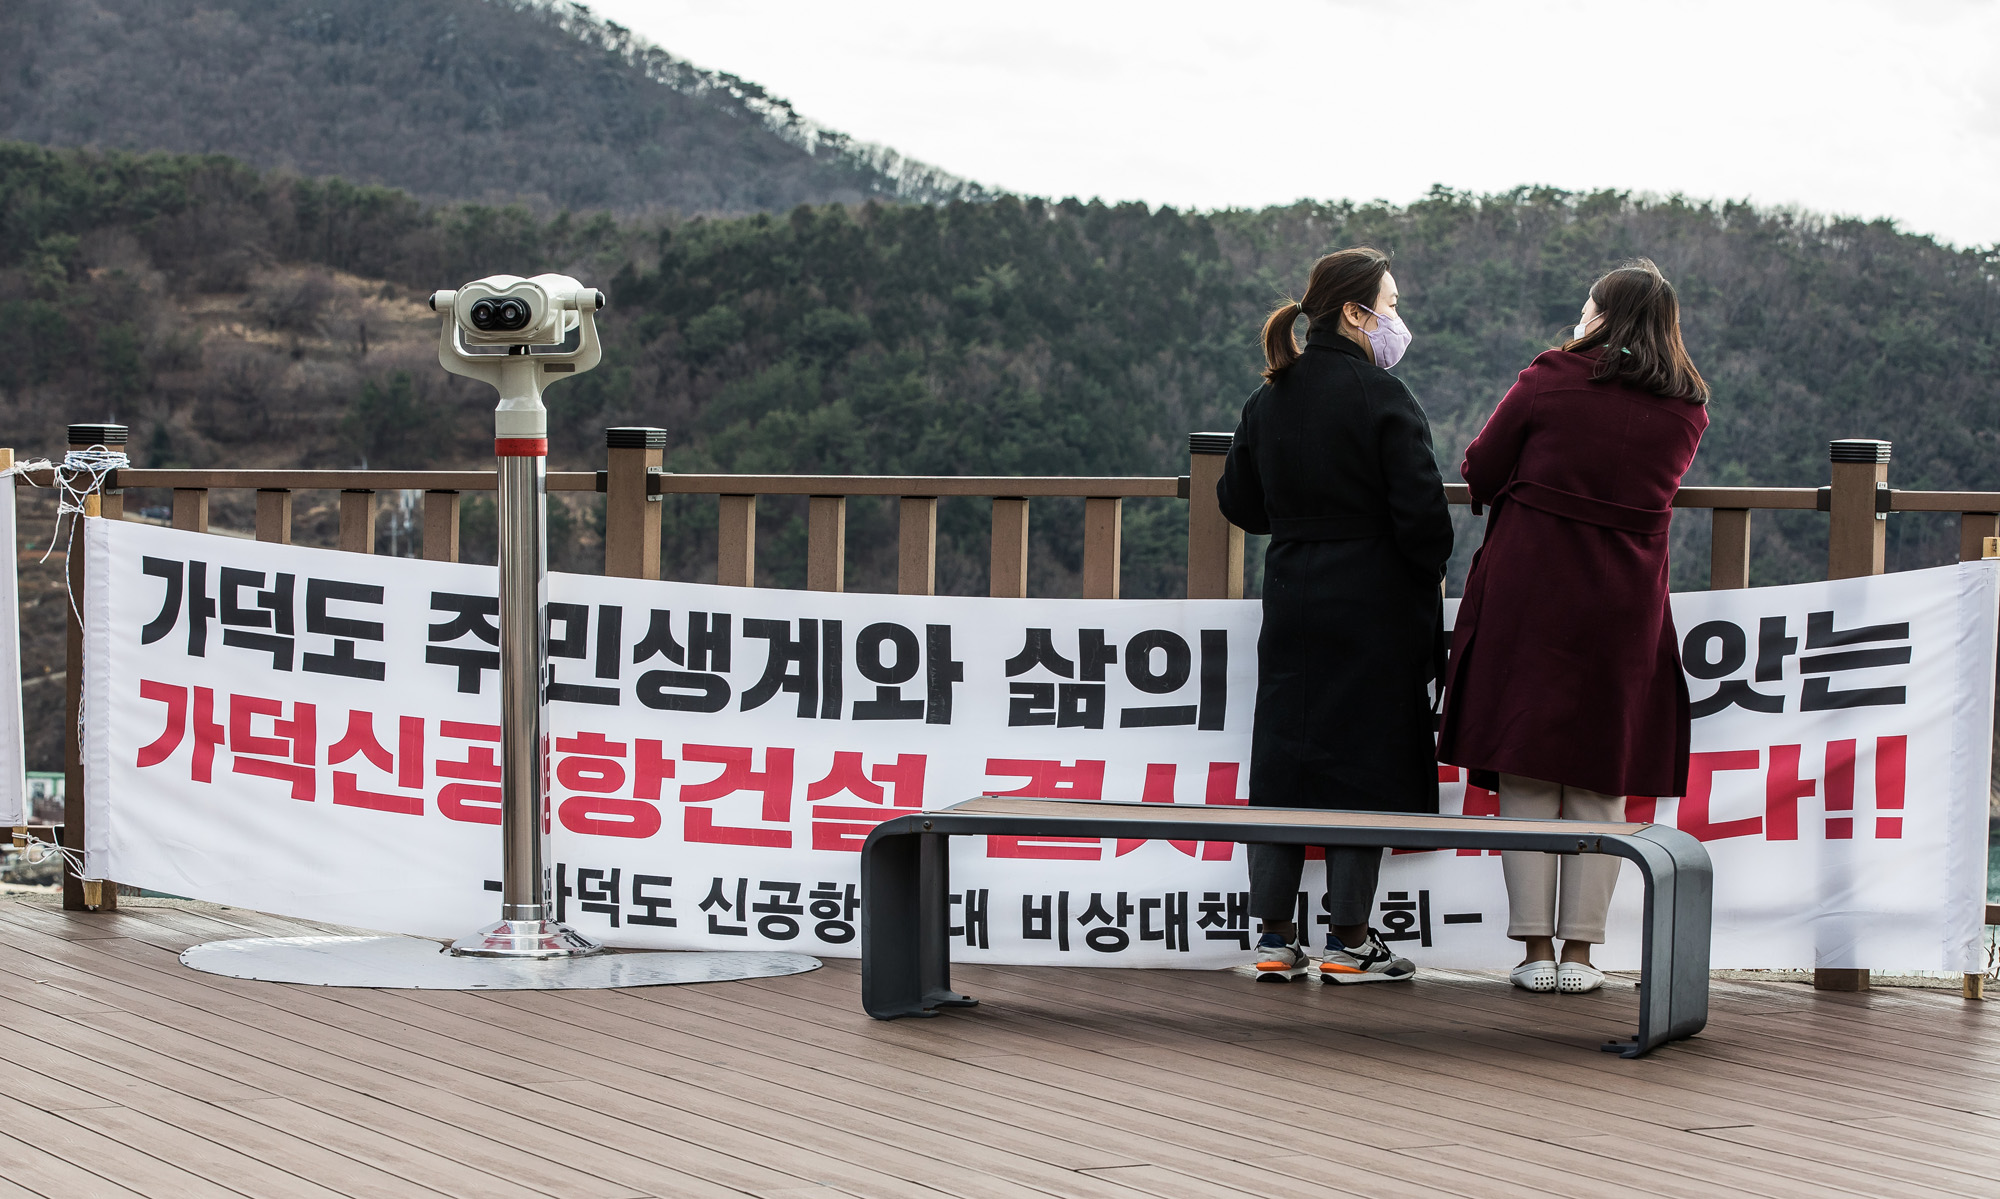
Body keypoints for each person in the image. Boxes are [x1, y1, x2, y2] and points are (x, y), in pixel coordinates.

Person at [1437, 258, 1709, 995]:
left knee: (1525, 770)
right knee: (1599, 779)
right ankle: (1583, 957)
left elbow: (1480, 469)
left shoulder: (1550, 376)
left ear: (1601, 317)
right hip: (1625, 603)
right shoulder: (1687, 406)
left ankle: (1532, 951)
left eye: (1588, 308)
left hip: (1531, 590)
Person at [1217, 247, 1453, 983]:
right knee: (1365, 761)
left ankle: (1274, 938)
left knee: (1284, 757)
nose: (1394, 318)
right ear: (1354, 312)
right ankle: (1350, 940)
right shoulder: (1384, 397)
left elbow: (1240, 503)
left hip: (1292, 593)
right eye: (1388, 303)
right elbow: (1425, 523)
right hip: (1375, 600)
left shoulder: (1269, 397)